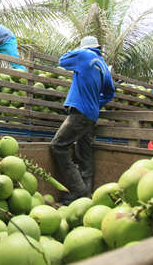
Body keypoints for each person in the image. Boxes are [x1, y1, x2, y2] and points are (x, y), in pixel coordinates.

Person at [50, 36, 115, 205]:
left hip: (80, 114)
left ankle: (78, 190)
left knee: (58, 145)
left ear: (85, 47)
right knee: (85, 155)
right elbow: (110, 93)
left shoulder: (84, 55)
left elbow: (62, 60)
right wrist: (95, 103)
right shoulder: (103, 66)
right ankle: (86, 196)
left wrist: (78, 51)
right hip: (92, 116)